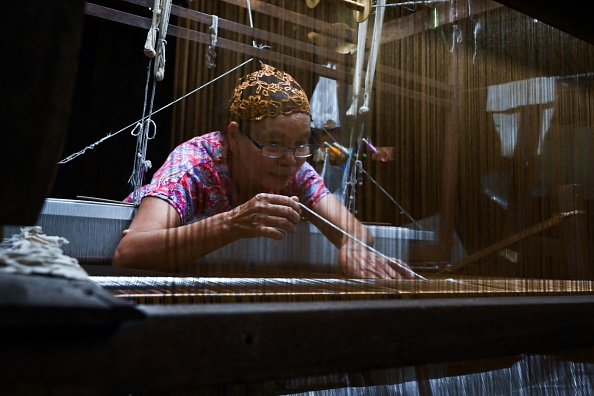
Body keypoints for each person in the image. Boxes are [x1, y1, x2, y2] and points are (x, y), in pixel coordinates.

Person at [113, 63, 414, 279]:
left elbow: (355, 232)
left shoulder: (295, 168)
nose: (289, 159)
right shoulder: (194, 165)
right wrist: (233, 224)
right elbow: (129, 255)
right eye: (274, 143)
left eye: (300, 144)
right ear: (234, 136)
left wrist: (351, 246)